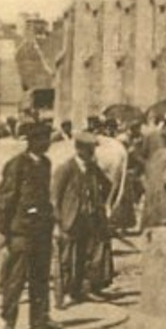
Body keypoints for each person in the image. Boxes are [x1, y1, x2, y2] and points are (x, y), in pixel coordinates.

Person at [0, 119, 62, 329]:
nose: (46, 143)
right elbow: (5, 199)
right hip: (21, 230)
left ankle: (39, 318)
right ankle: (7, 323)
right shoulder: (17, 165)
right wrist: (4, 230)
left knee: (40, 277)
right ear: (31, 141)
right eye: (41, 139)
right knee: (15, 279)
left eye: (47, 139)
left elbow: (44, 196)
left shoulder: (45, 163)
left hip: (42, 229)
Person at [53, 130, 112, 309]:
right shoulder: (66, 168)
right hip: (70, 219)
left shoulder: (93, 168)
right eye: (89, 149)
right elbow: (55, 198)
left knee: (83, 257)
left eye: (93, 149)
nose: (92, 152)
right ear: (79, 149)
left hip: (89, 219)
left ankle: (76, 291)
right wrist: (57, 223)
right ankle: (61, 295)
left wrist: (101, 204)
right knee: (65, 259)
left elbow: (108, 185)